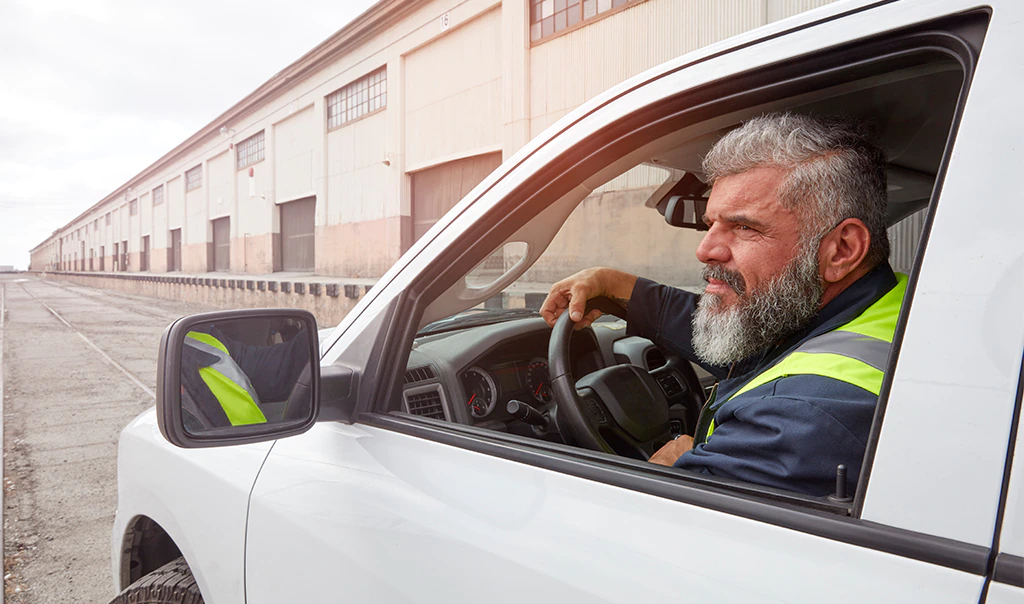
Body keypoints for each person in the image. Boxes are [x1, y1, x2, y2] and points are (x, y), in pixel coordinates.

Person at [540, 113, 904, 497]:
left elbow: (649, 521)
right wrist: (614, 285)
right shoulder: (885, 306)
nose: (704, 249)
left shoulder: (796, 420)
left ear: (842, 249)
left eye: (745, 227)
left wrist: (675, 466)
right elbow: (750, 333)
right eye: (710, 224)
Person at [181, 323, 311, 430]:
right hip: (239, 449)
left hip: (261, 444)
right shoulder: (176, 354)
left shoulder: (203, 343)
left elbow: (277, 366)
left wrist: (314, 340)